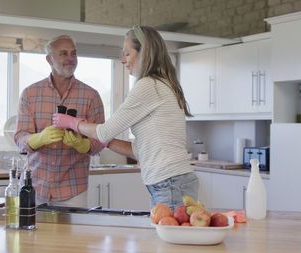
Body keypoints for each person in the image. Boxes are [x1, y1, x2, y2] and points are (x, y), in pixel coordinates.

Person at [52, 25, 198, 210]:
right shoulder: (163, 84)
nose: (123, 60)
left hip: (169, 182)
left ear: (143, 53)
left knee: (171, 238)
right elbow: (139, 150)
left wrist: (72, 122)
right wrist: (104, 142)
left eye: (127, 54)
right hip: (173, 180)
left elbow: (104, 131)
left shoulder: (148, 85)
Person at [14, 35, 105, 208]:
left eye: (73, 53)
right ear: (49, 59)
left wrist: (83, 145)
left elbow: (101, 139)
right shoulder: (30, 94)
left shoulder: (91, 97)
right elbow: (19, 137)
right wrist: (39, 138)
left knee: (71, 236)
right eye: (63, 53)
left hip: (73, 190)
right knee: (31, 235)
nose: (70, 59)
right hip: (35, 187)